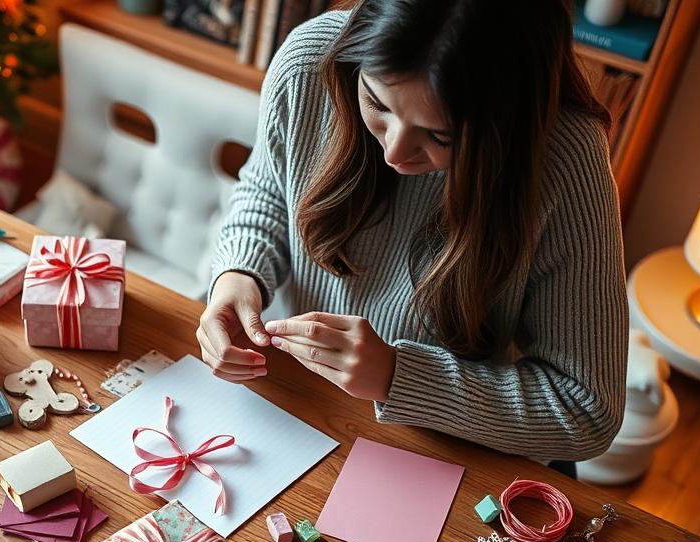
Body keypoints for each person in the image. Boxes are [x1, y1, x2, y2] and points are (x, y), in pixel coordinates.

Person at [197, 0, 628, 463]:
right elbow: (267, 188)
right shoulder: (310, 63)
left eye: (440, 136)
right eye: (377, 103)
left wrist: (398, 375)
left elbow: (587, 413)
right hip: (298, 401)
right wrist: (239, 275)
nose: (395, 153)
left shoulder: (565, 159)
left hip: (441, 448)